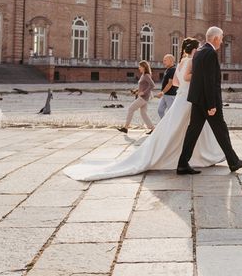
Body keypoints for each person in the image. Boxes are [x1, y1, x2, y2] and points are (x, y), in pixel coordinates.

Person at [63, 38, 224, 181]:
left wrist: (185, 83)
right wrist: (199, 75)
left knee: (177, 129)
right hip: (187, 100)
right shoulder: (190, 62)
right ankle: (202, 156)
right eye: (198, 48)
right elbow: (186, 79)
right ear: (194, 50)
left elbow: (175, 83)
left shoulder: (181, 62)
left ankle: (191, 157)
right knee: (188, 129)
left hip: (181, 97)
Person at [177, 26, 242, 175]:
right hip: (207, 101)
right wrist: (212, 105)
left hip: (197, 99)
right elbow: (209, 81)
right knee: (221, 130)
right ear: (216, 38)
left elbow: (199, 78)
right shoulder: (210, 53)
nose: (222, 41)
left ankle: (182, 164)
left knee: (194, 131)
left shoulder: (199, 52)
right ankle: (234, 162)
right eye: (222, 38)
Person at [118, 60, 155, 135]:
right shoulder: (143, 75)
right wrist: (136, 91)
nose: (139, 68)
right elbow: (144, 86)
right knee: (143, 113)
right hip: (143, 97)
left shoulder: (146, 75)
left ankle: (125, 128)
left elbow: (152, 85)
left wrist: (143, 92)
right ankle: (153, 129)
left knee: (131, 109)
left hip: (143, 98)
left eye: (140, 66)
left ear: (144, 67)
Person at [157, 54, 177, 118]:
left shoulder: (173, 70)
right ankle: (164, 125)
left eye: (165, 60)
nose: (163, 62)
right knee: (160, 110)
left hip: (171, 95)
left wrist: (162, 92)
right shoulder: (168, 69)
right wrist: (163, 93)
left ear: (171, 61)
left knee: (171, 112)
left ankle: (171, 126)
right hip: (165, 94)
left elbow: (170, 83)